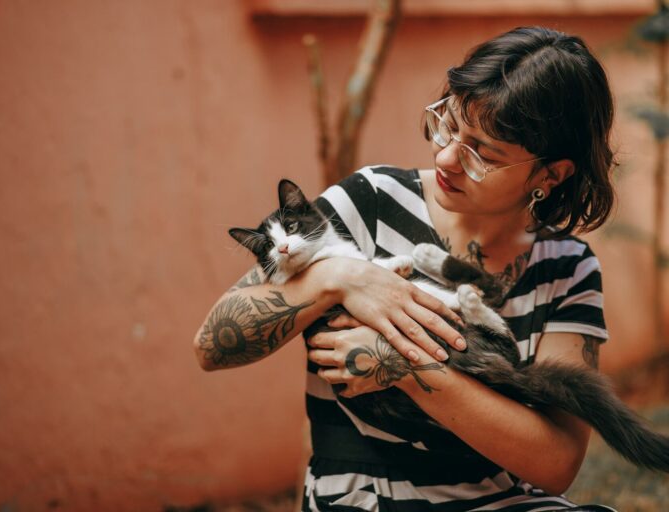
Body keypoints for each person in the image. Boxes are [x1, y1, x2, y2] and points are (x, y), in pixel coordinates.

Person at [193, 26, 618, 511]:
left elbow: (555, 465)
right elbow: (211, 346)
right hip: (359, 497)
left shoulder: (567, 267)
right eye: (448, 125)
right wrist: (341, 278)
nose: (445, 157)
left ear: (550, 174)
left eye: (483, 154)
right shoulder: (371, 198)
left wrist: (407, 366)